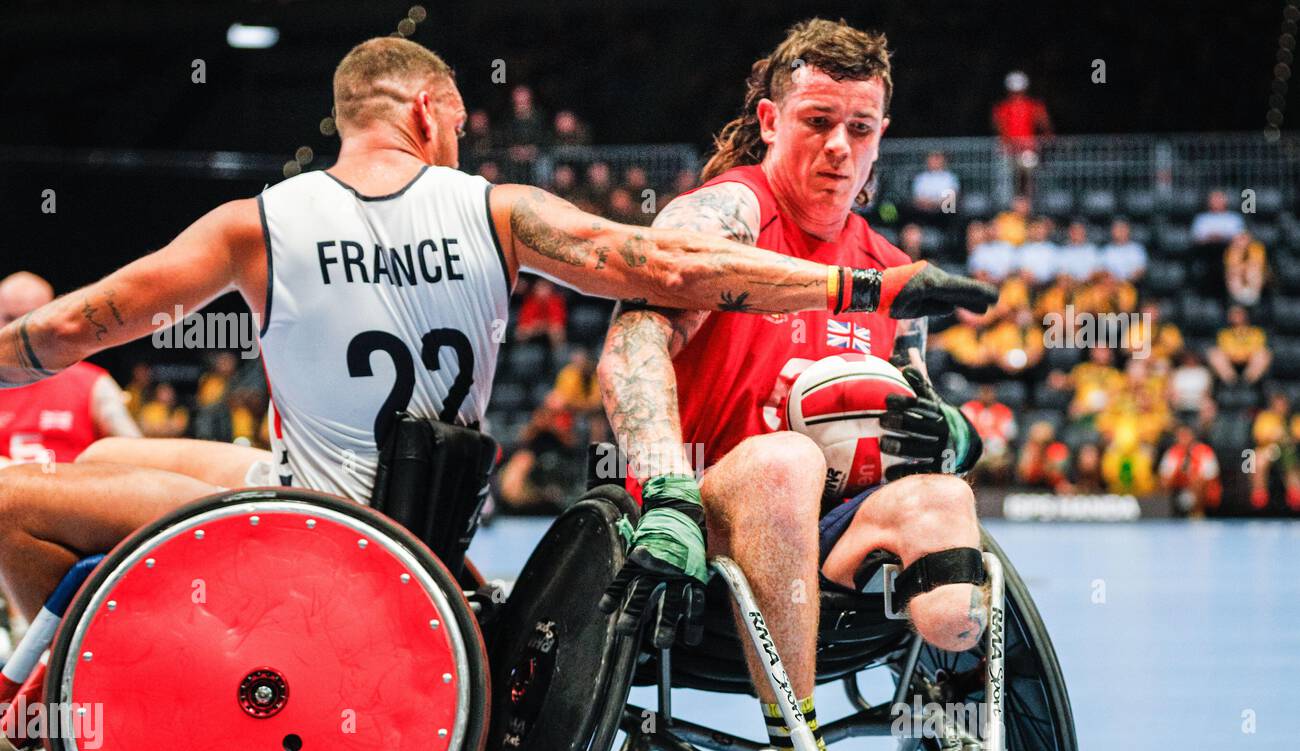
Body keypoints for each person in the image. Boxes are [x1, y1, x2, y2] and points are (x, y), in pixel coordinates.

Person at [0, 35, 986, 623]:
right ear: (428, 110)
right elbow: (675, 267)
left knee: (16, 502)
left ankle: (84, 673)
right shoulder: (497, 211)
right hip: (426, 515)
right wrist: (865, 285)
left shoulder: (250, 224)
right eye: (461, 123)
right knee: (117, 461)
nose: (460, 139)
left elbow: (74, 328)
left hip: (316, 525)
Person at [596, 19, 996, 751]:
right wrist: (664, 486)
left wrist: (948, 434)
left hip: (831, 537)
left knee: (942, 497)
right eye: (818, 122)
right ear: (771, 121)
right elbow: (628, 347)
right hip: (709, 513)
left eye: (860, 127)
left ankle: (963, 719)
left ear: (882, 136)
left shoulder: (886, 264)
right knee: (787, 462)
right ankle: (797, 749)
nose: (840, 147)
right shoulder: (728, 215)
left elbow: (911, 410)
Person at [0, 270, 140, 465]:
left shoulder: (93, 384)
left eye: (29, 320)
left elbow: (135, 458)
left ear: (50, 316)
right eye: (9, 319)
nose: (18, 332)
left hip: (81, 491)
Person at [1209, 304, 1271, 387]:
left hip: (1250, 361)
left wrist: (1241, 354)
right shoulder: (1224, 333)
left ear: (1245, 315)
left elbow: (1256, 348)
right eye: (1233, 314)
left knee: (1264, 353)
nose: (1236, 317)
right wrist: (1240, 354)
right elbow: (1226, 349)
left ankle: (1247, 381)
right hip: (1231, 362)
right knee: (1215, 353)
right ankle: (1231, 381)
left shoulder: (1256, 332)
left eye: (1238, 314)